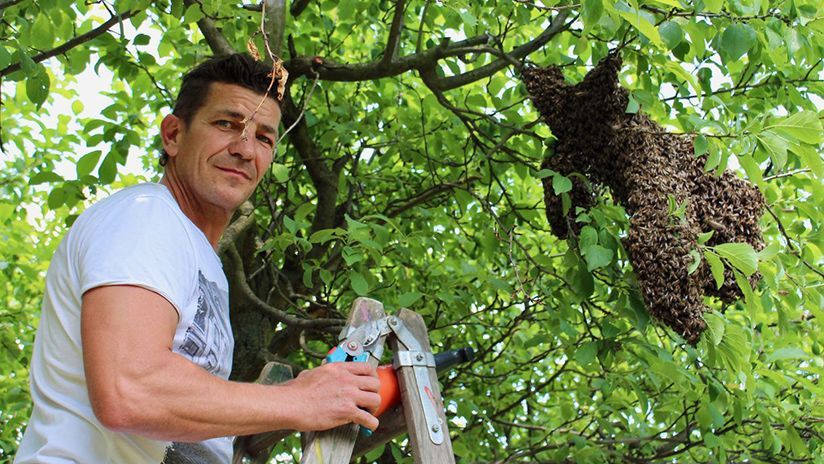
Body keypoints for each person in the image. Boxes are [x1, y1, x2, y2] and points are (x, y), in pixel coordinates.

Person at [15, 54, 381, 464]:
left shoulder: (203, 263)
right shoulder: (145, 215)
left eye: (264, 137)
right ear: (173, 135)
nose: (245, 149)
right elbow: (130, 391)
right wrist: (297, 400)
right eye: (227, 124)